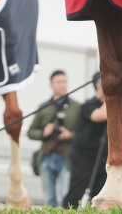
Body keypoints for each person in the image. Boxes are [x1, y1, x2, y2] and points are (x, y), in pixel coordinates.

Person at [26, 69, 80, 207]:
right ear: (51, 84)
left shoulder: (77, 107)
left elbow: (83, 133)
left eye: (65, 81)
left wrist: (70, 135)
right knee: (50, 200)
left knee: (65, 197)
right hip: (46, 157)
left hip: (66, 158)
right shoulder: (44, 107)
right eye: (59, 82)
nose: (63, 85)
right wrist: (43, 133)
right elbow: (30, 132)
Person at [61, 72, 108, 208]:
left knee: (99, 196)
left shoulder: (111, 107)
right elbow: (99, 116)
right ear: (97, 86)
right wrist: (110, 96)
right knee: (76, 193)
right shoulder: (89, 104)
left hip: (103, 158)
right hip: (84, 156)